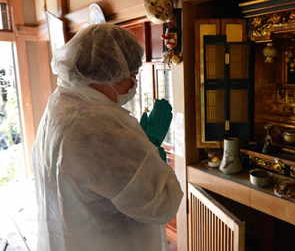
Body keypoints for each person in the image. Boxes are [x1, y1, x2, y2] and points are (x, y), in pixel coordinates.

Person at [32, 24, 183, 251]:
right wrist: (148, 149)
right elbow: (163, 203)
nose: (134, 83)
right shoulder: (95, 126)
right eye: (130, 75)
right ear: (106, 73)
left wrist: (135, 147)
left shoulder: (61, 103)